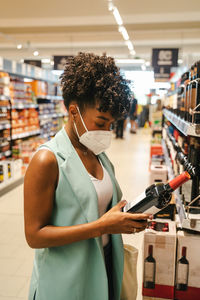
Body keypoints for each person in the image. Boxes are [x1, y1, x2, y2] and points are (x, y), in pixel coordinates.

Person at [24, 52, 150, 300]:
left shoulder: (98, 154)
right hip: (66, 281)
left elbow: (100, 208)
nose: (107, 131)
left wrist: (126, 218)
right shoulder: (47, 160)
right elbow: (34, 235)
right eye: (101, 122)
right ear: (73, 111)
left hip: (103, 268)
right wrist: (101, 226)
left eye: (111, 124)